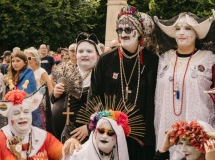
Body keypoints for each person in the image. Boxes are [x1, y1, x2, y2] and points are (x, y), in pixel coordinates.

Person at [89, 5, 158, 159]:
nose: (123, 34)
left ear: (139, 32)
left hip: (142, 139)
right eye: (120, 30)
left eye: (128, 30)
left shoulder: (153, 62)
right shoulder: (105, 61)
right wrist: (99, 126)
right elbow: (94, 96)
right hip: (111, 134)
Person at [154, 11, 215, 158]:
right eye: (178, 28)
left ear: (197, 34)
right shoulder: (163, 59)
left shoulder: (208, 59)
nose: (181, 32)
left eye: (187, 28)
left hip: (197, 125)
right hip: (165, 122)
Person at [0, 86, 63, 159]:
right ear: (9, 118)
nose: (22, 116)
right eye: (16, 113)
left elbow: (67, 156)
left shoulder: (44, 137)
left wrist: (72, 142)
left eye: (26, 112)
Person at [51, 32, 100, 143]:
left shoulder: (101, 77)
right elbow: (56, 100)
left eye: (89, 51)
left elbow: (107, 108)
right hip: (59, 133)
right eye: (80, 51)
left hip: (83, 137)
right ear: (76, 55)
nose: (84, 54)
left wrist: (90, 127)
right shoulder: (69, 73)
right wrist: (54, 94)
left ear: (97, 55)